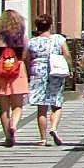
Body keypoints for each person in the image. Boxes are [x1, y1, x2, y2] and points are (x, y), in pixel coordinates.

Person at [26, 15, 70, 147]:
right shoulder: (59, 39)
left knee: (42, 107)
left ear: (37, 26)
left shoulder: (31, 42)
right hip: (55, 71)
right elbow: (66, 54)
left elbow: (27, 59)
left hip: (38, 72)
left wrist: (29, 73)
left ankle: (43, 138)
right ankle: (54, 127)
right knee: (56, 104)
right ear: (50, 25)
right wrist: (69, 69)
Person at [0, 10, 29, 148]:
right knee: (17, 106)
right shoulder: (21, 37)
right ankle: (14, 124)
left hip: (1, 70)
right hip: (18, 69)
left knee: (3, 108)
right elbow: (24, 55)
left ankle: (8, 137)